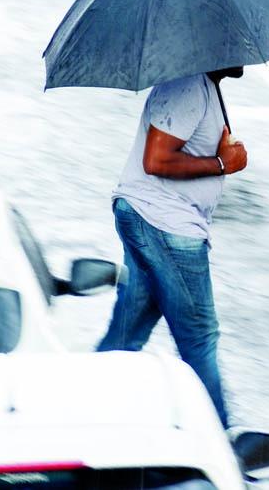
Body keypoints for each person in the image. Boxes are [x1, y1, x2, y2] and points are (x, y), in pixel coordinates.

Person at [97, 66, 248, 428]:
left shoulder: (202, 86)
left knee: (128, 329)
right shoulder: (187, 87)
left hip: (151, 218)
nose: (244, 56)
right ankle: (220, 442)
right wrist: (221, 163)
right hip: (165, 223)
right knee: (198, 337)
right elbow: (157, 159)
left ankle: (84, 411)